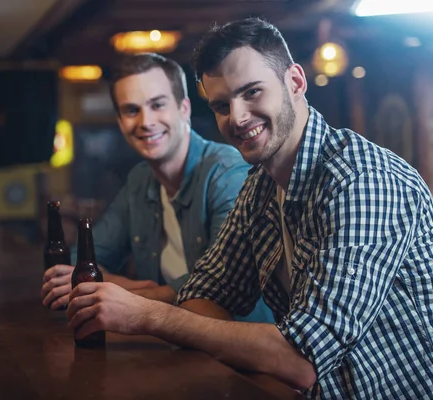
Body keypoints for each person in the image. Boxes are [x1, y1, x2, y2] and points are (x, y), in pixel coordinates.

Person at [64, 18, 433, 399]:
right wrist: (166, 315)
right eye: (221, 105)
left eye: (252, 92)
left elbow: (300, 360)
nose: (238, 117)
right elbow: (205, 294)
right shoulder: (260, 186)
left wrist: (147, 315)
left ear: (295, 82)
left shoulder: (361, 182)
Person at [41, 52, 273, 323]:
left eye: (157, 105)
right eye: (131, 110)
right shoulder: (140, 180)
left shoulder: (227, 173)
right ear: (120, 122)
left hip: (237, 356)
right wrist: (148, 290)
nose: (145, 122)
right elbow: (80, 262)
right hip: (171, 348)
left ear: (183, 108)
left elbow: (221, 285)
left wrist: (126, 292)